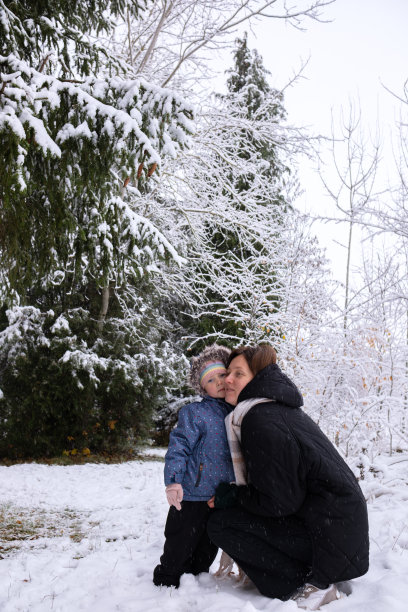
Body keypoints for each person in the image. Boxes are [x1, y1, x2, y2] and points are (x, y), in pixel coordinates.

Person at [207, 345, 369, 610]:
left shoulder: (260, 419)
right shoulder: (275, 410)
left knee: (222, 523)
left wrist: (232, 496)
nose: (227, 380)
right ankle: (301, 573)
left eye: (238, 374)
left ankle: (302, 585)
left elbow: (278, 502)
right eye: (228, 373)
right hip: (338, 536)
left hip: (328, 541)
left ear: (257, 379)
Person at [153, 344, 235, 588]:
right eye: (211, 379)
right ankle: (167, 579)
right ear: (202, 387)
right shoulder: (194, 412)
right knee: (180, 541)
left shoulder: (236, 413)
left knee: (207, 546)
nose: (219, 382)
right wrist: (173, 481)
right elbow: (179, 447)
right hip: (190, 493)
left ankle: (197, 578)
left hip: (217, 496)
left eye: (222, 375)